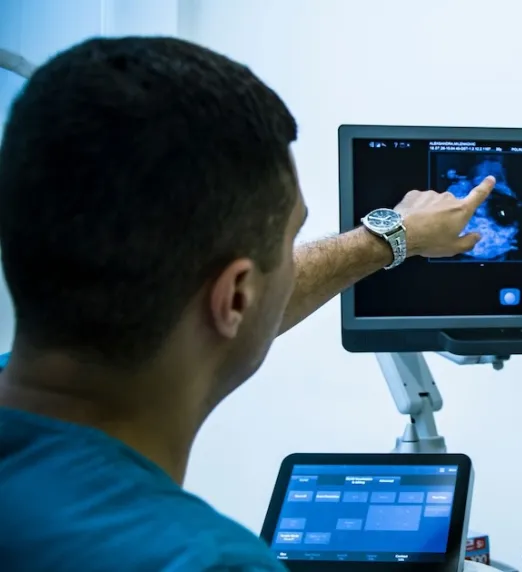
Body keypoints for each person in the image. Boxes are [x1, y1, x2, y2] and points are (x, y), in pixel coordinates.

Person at [0, 36, 494, 571]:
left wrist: (388, 238)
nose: (293, 262)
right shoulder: (207, 562)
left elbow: (223, 300)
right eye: (291, 241)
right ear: (234, 296)